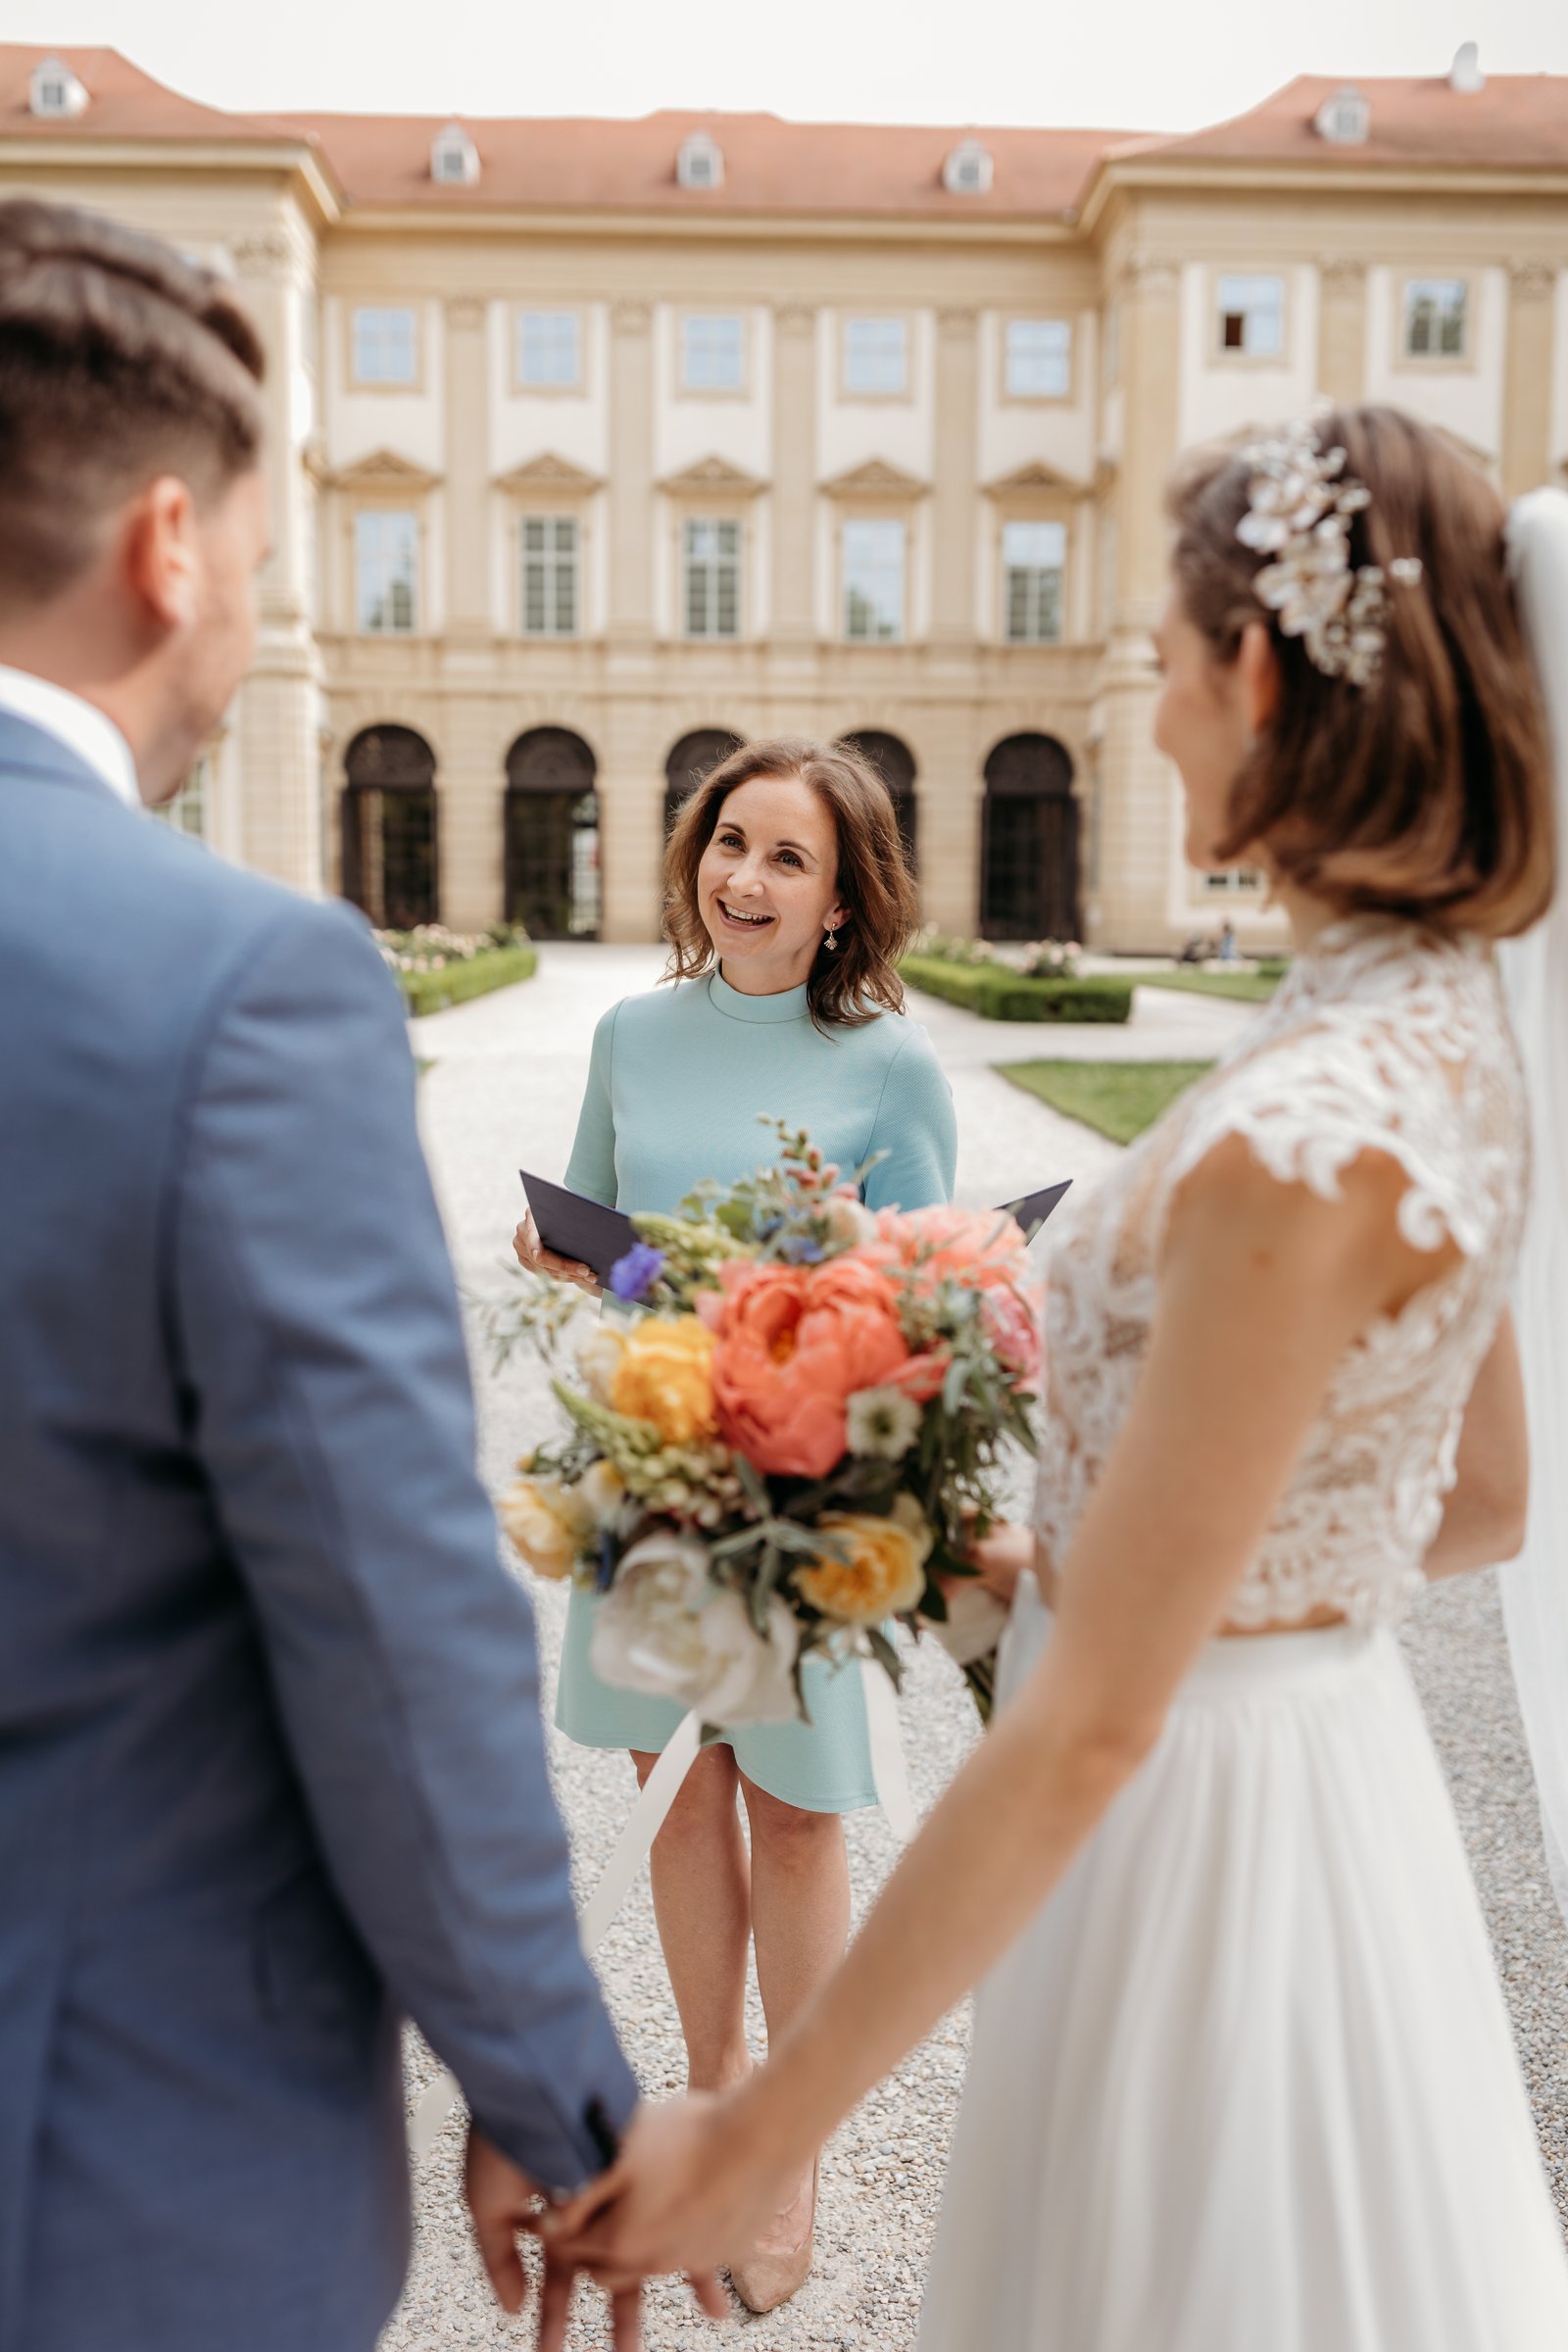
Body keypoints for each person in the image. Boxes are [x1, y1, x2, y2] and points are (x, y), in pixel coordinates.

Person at [540, 407, 1568, 2348]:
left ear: (1252, 673)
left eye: (1162, 662)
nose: (1153, 710)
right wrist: (1047, 1568)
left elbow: (1089, 1724)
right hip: (1329, 1795)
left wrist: (760, 2131)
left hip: (1200, 1835)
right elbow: (1483, 1495)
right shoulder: (1434, 1039)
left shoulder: (1310, 1124)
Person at [0, 198, 705, 2352]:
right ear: (168, 546)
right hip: (100, 2154)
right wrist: (546, 2083)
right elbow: (386, 1619)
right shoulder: (229, 984)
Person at [514, 736, 956, 2310]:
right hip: (657, 1461)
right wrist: (556, 1244)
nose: (744, 878)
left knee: (800, 1805)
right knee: (678, 1787)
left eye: (788, 860)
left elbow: (937, 1294)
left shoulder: (893, 1066)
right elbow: (572, 1213)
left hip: (812, 1481)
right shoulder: (632, 1035)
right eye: (730, 842)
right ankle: (712, 2089)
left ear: (843, 906)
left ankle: (789, 2145)